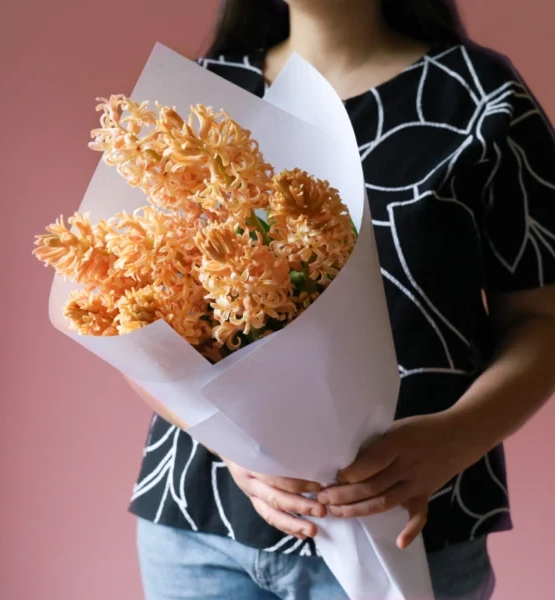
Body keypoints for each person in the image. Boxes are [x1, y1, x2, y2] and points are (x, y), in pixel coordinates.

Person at [127, 1, 555, 598]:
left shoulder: (480, 100)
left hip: (405, 533)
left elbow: (541, 319)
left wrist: (454, 438)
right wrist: (228, 443)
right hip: (201, 526)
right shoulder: (207, 95)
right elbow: (136, 316)